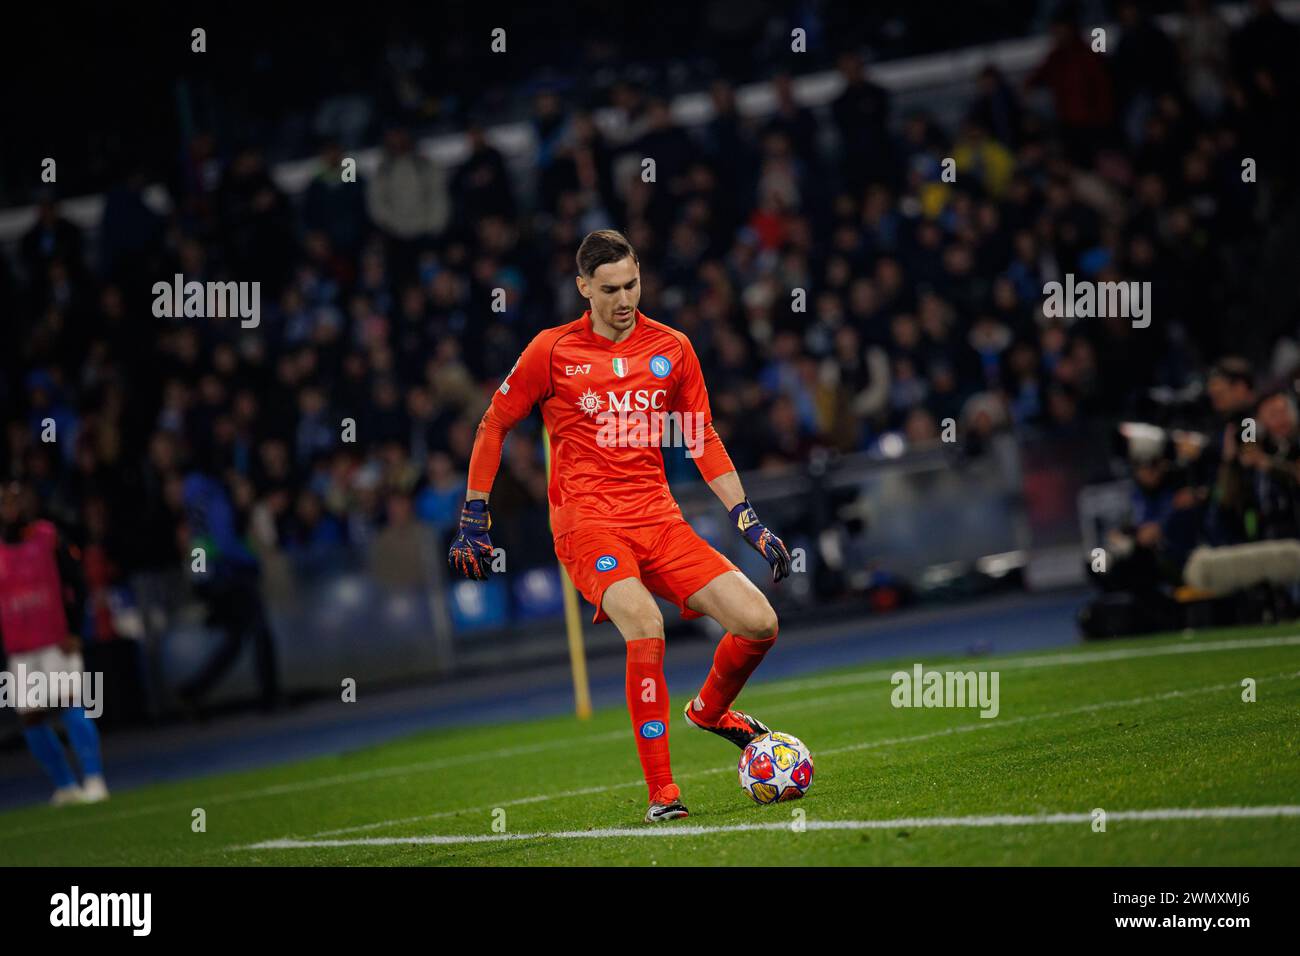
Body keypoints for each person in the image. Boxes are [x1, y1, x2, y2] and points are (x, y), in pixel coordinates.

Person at [448, 229, 791, 823]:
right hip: (588, 525)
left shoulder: (674, 347)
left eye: (632, 283)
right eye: (610, 288)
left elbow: (701, 437)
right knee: (645, 622)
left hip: (659, 520)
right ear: (584, 287)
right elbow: (492, 424)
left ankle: (709, 712)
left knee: (760, 623)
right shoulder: (550, 352)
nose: (624, 298)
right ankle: (663, 794)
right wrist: (474, 511)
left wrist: (749, 520)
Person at [0, 480, 109, 805]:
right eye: (4, 502)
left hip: (56, 641)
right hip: (20, 647)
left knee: (69, 704)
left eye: (15, 500)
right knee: (30, 717)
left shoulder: (50, 537)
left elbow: (77, 582)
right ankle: (65, 785)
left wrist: (76, 629)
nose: (9, 508)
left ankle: (94, 779)